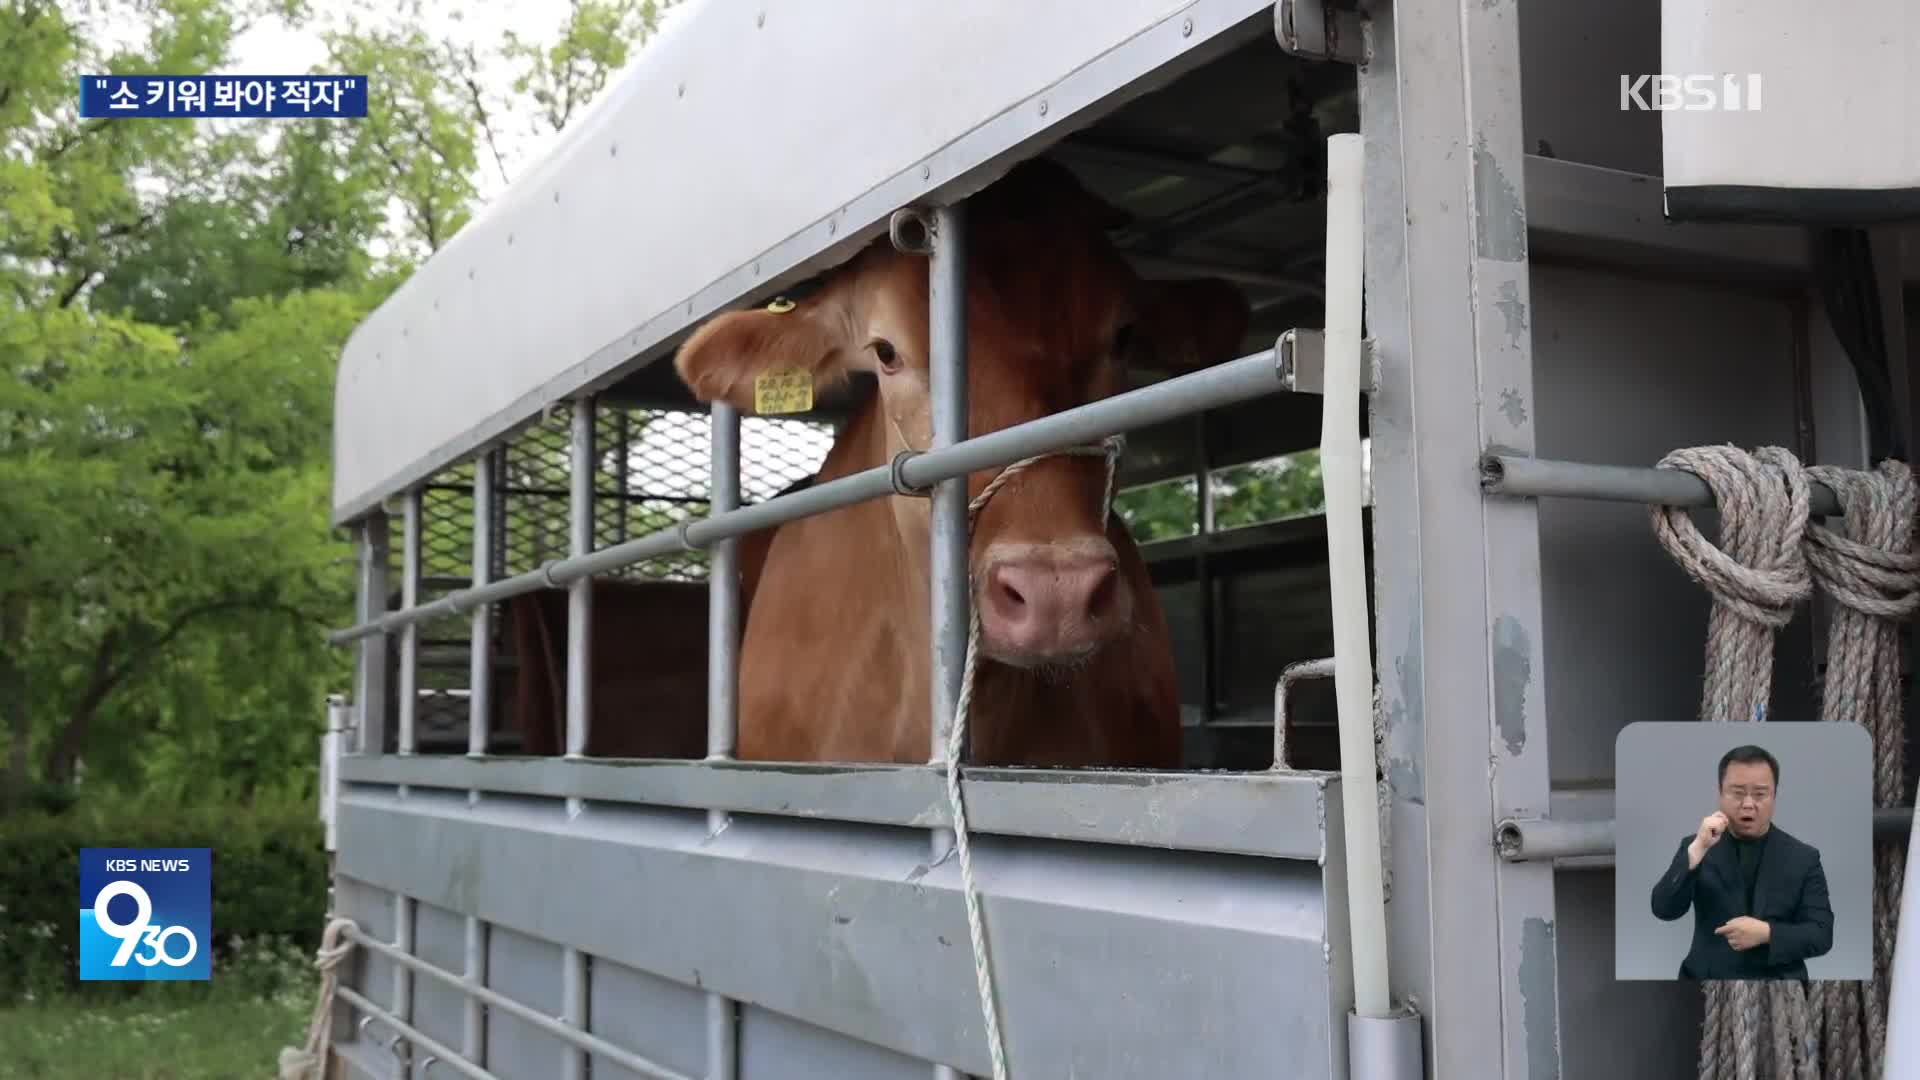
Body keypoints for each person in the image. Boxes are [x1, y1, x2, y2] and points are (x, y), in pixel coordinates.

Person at [1648, 744, 1834, 981]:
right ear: (1720, 792)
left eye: (1759, 794)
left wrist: (1767, 933)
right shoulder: (1697, 846)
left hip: (1779, 989)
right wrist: (1696, 850)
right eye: (1737, 793)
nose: (1748, 804)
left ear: (1774, 795)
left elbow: (1821, 934)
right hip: (1706, 984)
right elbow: (1663, 909)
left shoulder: (1803, 858)